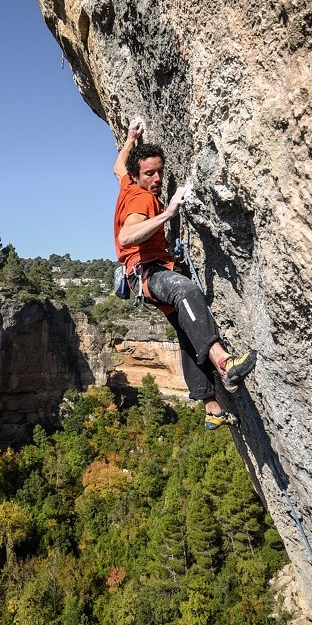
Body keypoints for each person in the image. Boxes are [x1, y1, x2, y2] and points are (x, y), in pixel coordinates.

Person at [113, 118, 256, 429]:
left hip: (142, 276)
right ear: (138, 177)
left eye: (160, 171)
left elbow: (117, 167)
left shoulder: (127, 184)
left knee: (187, 332)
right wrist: (167, 213)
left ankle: (212, 407)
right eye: (150, 173)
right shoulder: (142, 197)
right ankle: (225, 364)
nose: (158, 178)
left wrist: (130, 137)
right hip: (148, 272)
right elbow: (126, 236)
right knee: (186, 290)